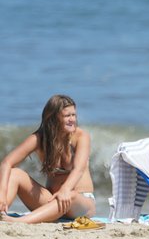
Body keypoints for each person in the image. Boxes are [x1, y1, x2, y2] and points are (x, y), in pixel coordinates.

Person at [0, 95, 96, 223]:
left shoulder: (81, 136)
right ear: (54, 117)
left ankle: (21, 221)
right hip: (51, 202)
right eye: (67, 116)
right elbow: (7, 162)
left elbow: (78, 169)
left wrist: (65, 190)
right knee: (15, 174)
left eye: (74, 115)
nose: (72, 119)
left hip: (79, 203)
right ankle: (1, 210)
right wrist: (2, 194)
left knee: (71, 195)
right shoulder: (40, 139)